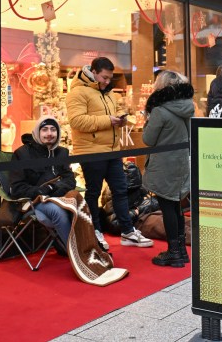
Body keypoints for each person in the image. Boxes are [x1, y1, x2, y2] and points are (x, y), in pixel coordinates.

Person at [67, 57, 153, 249]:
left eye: (109, 78)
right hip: (91, 151)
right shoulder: (77, 93)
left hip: (112, 150)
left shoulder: (109, 93)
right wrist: (108, 120)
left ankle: (127, 231)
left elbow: (115, 112)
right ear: (94, 72)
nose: (107, 81)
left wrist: (121, 119)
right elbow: (77, 121)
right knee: (94, 192)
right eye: (104, 77)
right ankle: (95, 230)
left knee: (121, 190)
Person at [141, 70, 194, 268]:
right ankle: (180, 250)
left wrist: (147, 120)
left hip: (163, 164)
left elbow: (148, 139)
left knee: (167, 206)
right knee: (176, 205)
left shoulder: (160, 111)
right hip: (181, 162)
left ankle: (173, 252)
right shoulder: (188, 107)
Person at [9, 117, 78, 251]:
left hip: (59, 196)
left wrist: (53, 188)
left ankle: (89, 248)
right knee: (57, 212)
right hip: (34, 201)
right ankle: (75, 253)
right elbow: (17, 188)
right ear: (37, 132)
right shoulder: (22, 154)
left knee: (81, 206)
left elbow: (70, 180)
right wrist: (42, 191)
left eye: (53, 129)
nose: (49, 134)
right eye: (44, 129)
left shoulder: (62, 152)